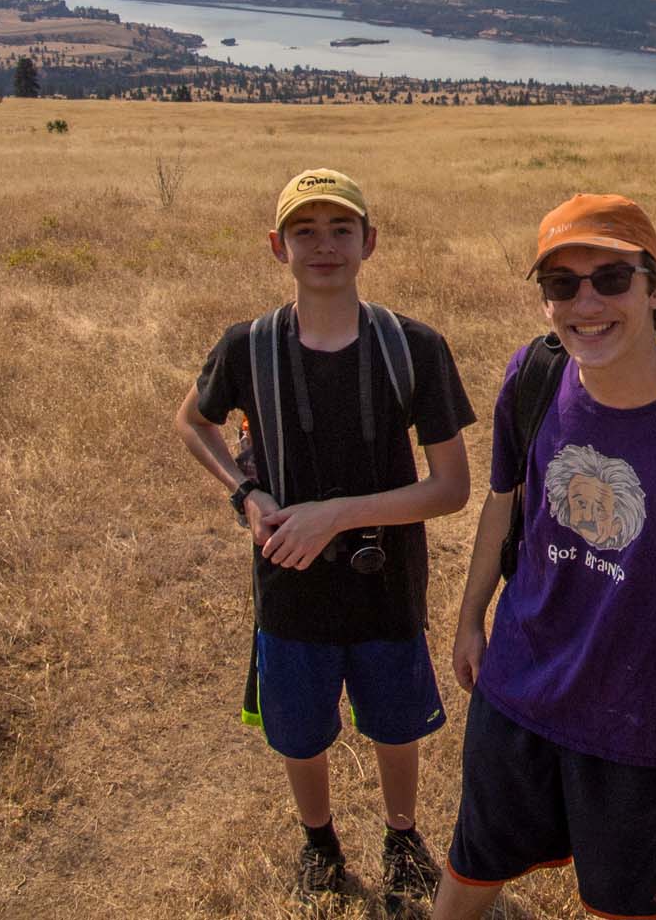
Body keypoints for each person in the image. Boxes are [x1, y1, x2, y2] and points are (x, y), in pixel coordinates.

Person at [435, 193, 656, 920]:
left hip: (638, 725)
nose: (586, 303)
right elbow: (504, 502)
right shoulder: (534, 377)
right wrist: (471, 618)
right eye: (561, 284)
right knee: (473, 863)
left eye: (611, 279)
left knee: (628, 905)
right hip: (516, 687)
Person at [174, 167, 475, 909]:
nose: (324, 246)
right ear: (277, 247)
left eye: (341, 229)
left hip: (387, 580)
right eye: (304, 231)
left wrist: (333, 515)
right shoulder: (248, 348)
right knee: (300, 731)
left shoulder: (414, 347)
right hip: (289, 583)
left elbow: (451, 488)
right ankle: (320, 842)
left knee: (395, 724)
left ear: (370, 242)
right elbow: (192, 421)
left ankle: (402, 836)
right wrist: (247, 495)